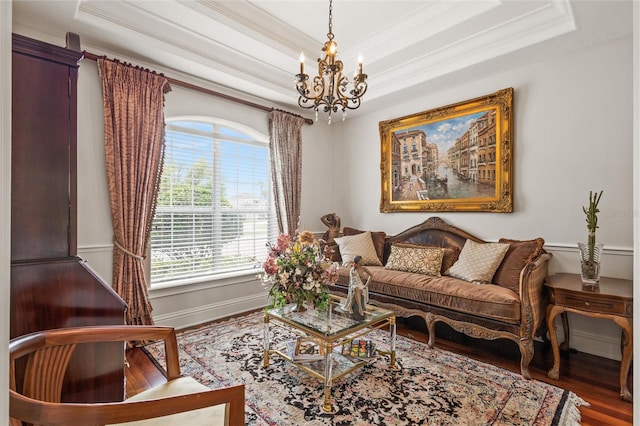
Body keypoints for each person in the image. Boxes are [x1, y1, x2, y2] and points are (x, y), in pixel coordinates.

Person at [341, 255, 372, 320]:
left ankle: (350, 307)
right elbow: (352, 281)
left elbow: (371, 275)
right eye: (361, 260)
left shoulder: (363, 268)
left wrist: (366, 285)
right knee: (355, 289)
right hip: (354, 285)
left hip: (360, 285)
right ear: (358, 261)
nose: (363, 261)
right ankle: (360, 309)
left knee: (357, 290)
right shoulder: (352, 269)